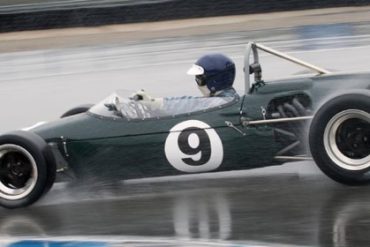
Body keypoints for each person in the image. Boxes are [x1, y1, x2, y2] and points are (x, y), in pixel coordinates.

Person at [130, 53, 238, 116]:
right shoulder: (228, 97)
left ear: (214, 80)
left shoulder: (219, 102)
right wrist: (153, 102)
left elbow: (191, 104)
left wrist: (154, 104)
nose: (197, 83)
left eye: (199, 79)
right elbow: (191, 100)